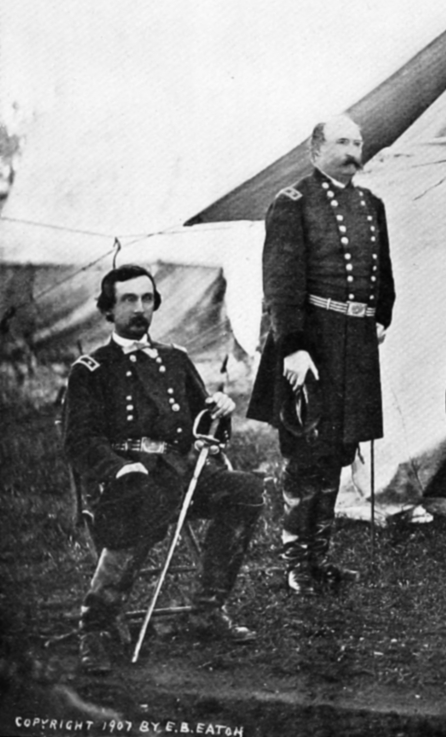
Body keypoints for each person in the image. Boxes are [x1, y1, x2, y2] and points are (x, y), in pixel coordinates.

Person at [64, 265, 264, 673]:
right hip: (127, 478)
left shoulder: (175, 359)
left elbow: (204, 425)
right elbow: (80, 441)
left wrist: (220, 410)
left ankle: (207, 609)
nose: (140, 308)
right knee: (140, 495)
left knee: (246, 491)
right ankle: (96, 627)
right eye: (128, 300)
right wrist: (118, 469)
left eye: (147, 299)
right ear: (108, 310)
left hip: (181, 473)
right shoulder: (92, 370)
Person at [247, 114, 396, 595]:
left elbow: (383, 269)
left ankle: (321, 559)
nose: (353, 151)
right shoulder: (292, 202)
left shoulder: (371, 204)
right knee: (306, 451)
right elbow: (280, 282)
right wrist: (292, 346)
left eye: (358, 142)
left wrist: (381, 314)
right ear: (316, 151)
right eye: (342, 142)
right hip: (312, 342)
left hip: (354, 343)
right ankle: (296, 562)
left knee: (337, 451)